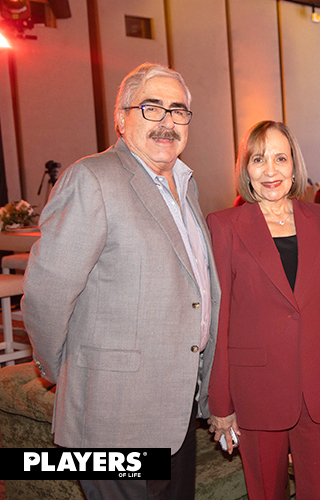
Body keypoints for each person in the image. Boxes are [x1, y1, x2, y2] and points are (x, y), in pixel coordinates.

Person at [21, 63, 220, 500]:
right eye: (152, 107)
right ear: (121, 117)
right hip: (113, 410)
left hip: (176, 407)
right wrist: (65, 371)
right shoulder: (93, 178)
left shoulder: (186, 187)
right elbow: (47, 294)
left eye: (178, 110)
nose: (167, 121)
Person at [206, 120, 320, 500]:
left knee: (318, 492)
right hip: (255, 390)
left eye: (280, 158)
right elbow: (218, 322)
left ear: (294, 165)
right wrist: (220, 401)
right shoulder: (224, 226)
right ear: (246, 169)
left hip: (317, 384)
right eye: (259, 159)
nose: (270, 170)